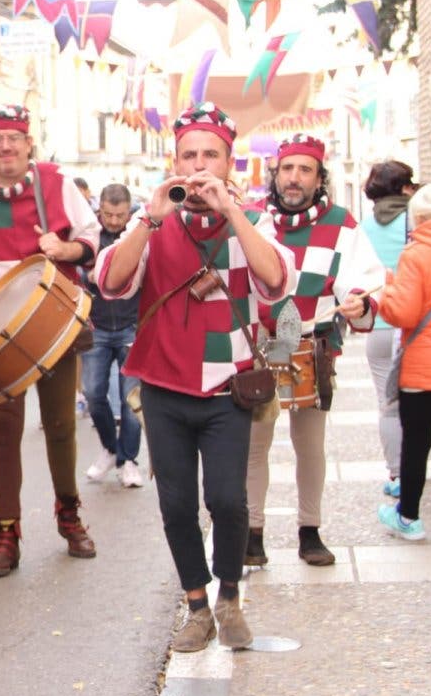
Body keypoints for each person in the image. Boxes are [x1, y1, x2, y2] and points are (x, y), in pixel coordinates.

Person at [94, 103, 297, 652]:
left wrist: (232, 213)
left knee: (229, 501)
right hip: (164, 388)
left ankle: (230, 595)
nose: (200, 164)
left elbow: (277, 281)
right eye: (190, 154)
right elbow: (111, 284)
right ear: (175, 160)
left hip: (228, 388)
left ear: (230, 163)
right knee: (177, 505)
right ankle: (197, 605)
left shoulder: (252, 220)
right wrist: (148, 218)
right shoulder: (154, 221)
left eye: (211, 155)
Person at [0, 104, 101, 576]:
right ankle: (7, 532)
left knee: (60, 426)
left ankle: (68, 515)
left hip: (51, 318)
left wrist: (63, 248)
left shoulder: (56, 182)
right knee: (4, 433)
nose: (6, 146)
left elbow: (89, 239)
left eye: (14, 137)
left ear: (29, 143)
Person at [245, 135, 384, 567]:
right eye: (288, 169)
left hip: (313, 343)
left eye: (305, 170)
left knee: (310, 445)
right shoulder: (251, 220)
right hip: (261, 345)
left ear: (319, 178)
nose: (294, 177)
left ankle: (310, 530)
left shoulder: (342, 224)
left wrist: (360, 299)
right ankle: (253, 535)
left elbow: (362, 278)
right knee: (254, 444)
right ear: (276, 173)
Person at [359, 162, 431, 499]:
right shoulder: (417, 223)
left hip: (382, 324)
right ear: (407, 189)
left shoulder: (362, 227)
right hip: (426, 329)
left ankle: (396, 475)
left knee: (388, 405)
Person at [82, 183, 144, 488]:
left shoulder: (138, 231)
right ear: (100, 209)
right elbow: (75, 267)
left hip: (132, 324)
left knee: (132, 400)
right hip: (97, 325)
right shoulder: (90, 234)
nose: (114, 221)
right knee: (94, 395)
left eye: (120, 214)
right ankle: (110, 448)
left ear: (129, 208)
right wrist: (87, 275)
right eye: (108, 214)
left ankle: (128, 459)